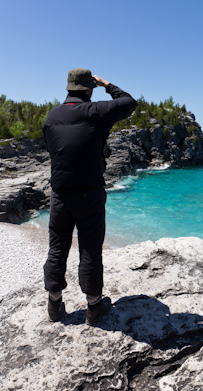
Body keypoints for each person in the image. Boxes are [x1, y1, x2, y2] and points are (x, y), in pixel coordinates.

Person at [42, 68, 137, 325]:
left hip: (60, 192)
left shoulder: (52, 115)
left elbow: (54, 149)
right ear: (89, 88)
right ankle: (94, 307)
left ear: (68, 88)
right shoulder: (95, 111)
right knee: (90, 250)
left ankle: (54, 305)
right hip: (89, 192)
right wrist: (107, 84)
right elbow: (129, 102)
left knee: (58, 246)